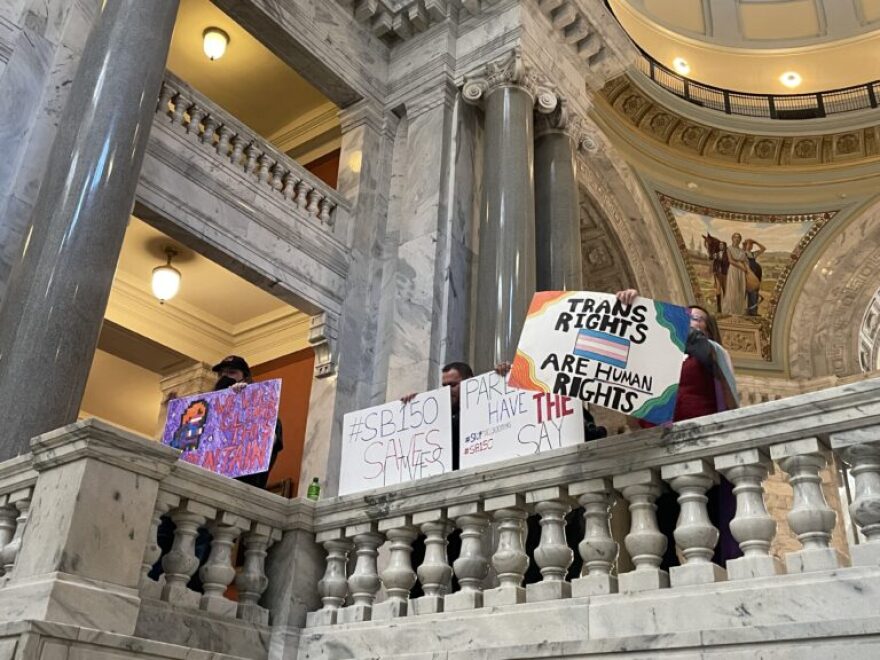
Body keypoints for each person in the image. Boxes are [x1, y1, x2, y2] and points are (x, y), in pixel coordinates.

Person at [617, 290, 739, 567]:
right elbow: (632, 396)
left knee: (709, 515)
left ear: (708, 328)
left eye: (697, 318)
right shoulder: (659, 357)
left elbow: (729, 397)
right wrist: (634, 306)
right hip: (662, 447)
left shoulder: (713, 354)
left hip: (704, 446)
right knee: (662, 520)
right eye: (684, 316)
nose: (690, 321)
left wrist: (699, 347)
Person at [211, 355, 284, 489]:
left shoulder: (266, 413)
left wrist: (246, 404)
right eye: (221, 374)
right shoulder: (213, 414)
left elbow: (267, 442)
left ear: (246, 378)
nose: (225, 377)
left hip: (243, 488)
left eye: (232, 372)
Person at [721, 233, 749, 316]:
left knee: (741, 289)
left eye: (738, 238)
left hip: (741, 272)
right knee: (733, 289)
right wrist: (741, 267)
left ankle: (739, 310)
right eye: (735, 238)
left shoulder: (741, 250)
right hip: (734, 270)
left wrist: (745, 268)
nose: (737, 239)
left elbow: (745, 260)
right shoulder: (729, 248)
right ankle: (731, 310)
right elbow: (731, 261)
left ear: (740, 240)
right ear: (732, 238)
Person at [743, 238, 766, 316]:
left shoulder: (753, 254)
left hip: (755, 276)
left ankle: (753, 312)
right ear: (745, 245)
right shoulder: (742, 254)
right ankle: (747, 312)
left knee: (754, 294)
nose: (750, 246)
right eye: (749, 244)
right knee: (746, 294)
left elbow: (763, 248)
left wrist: (755, 242)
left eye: (751, 245)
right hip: (746, 275)